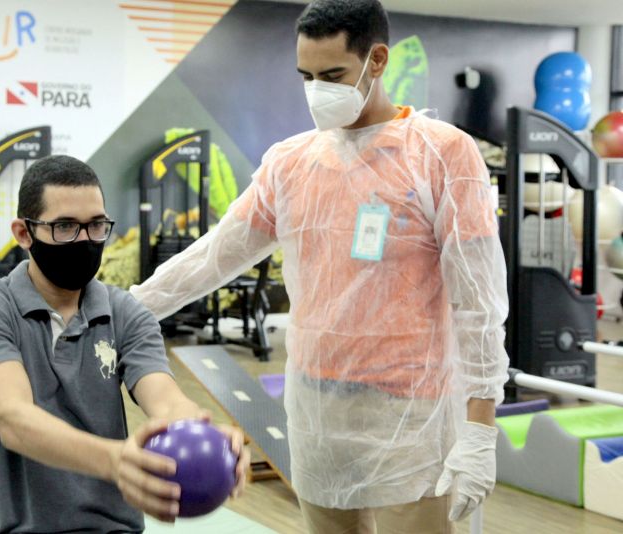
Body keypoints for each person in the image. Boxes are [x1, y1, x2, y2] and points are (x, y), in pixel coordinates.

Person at [129, 1, 509, 532]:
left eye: (333, 75)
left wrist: (479, 431)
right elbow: (217, 253)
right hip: (315, 406)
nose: (317, 91)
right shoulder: (291, 161)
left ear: (377, 59)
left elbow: (478, 300)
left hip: (412, 413)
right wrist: (126, 308)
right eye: (306, 76)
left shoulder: (442, 154)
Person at [0, 155, 248, 533]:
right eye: (64, 227)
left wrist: (202, 434)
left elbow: (165, 397)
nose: (84, 240)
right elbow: (13, 418)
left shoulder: (126, 313)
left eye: (95, 226)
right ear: (24, 233)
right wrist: (114, 460)